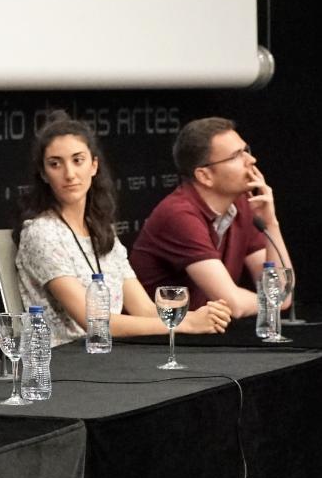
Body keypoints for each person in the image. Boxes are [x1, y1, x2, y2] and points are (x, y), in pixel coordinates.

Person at [15, 114, 232, 345]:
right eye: (55, 164)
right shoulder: (41, 233)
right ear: (43, 174)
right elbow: (95, 323)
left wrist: (197, 316)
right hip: (63, 364)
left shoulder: (100, 229)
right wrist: (186, 323)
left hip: (109, 357)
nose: (69, 174)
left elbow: (144, 309)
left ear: (94, 166)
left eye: (77, 160)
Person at [129, 116, 293, 316]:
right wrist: (276, 299)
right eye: (236, 156)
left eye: (246, 151)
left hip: (201, 337)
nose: (251, 160)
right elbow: (233, 304)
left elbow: (281, 290)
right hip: (156, 340)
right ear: (204, 176)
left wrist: (270, 224)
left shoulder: (242, 204)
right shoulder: (179, 215)